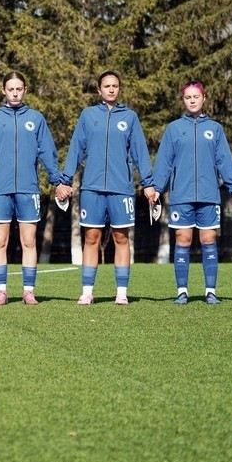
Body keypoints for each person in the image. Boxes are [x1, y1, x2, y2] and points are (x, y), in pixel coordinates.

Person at [56, 71, 155, 305]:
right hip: (91, 188)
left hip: (122, 189)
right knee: (91, 238)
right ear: (99, 90)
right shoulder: (88, 116)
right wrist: (65, 179)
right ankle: (87, 291)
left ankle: (121, 292)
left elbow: (140, 152)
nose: (111, 89)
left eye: (115, 86)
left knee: (121, 238)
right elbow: (76, 149)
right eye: (107, 86)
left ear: (119, 89)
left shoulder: (130, 117)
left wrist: (148, 183)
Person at [0, 72, 66, 306]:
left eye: (19, 89)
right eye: (10, 89)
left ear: (25, 90)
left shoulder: (36, 119)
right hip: (0, 189)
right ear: (3, 90)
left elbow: (48, 154)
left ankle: (28, 291)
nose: (14, 93)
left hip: (28, 188)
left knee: (29, 242)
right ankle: (1, 291)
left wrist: (58, 180)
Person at [151, 81, 232, 305]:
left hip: (209, 195)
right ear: (183, 100)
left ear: (204, 98)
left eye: (196, 97)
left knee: (208, 238)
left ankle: (210, 291)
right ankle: (182, 291)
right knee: (183, 239)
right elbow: (163, 162)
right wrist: (156, 188)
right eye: (187, 97)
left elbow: (225, 162)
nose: (192, 100)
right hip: (181, 195)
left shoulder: (215, 129)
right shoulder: (173, 129)